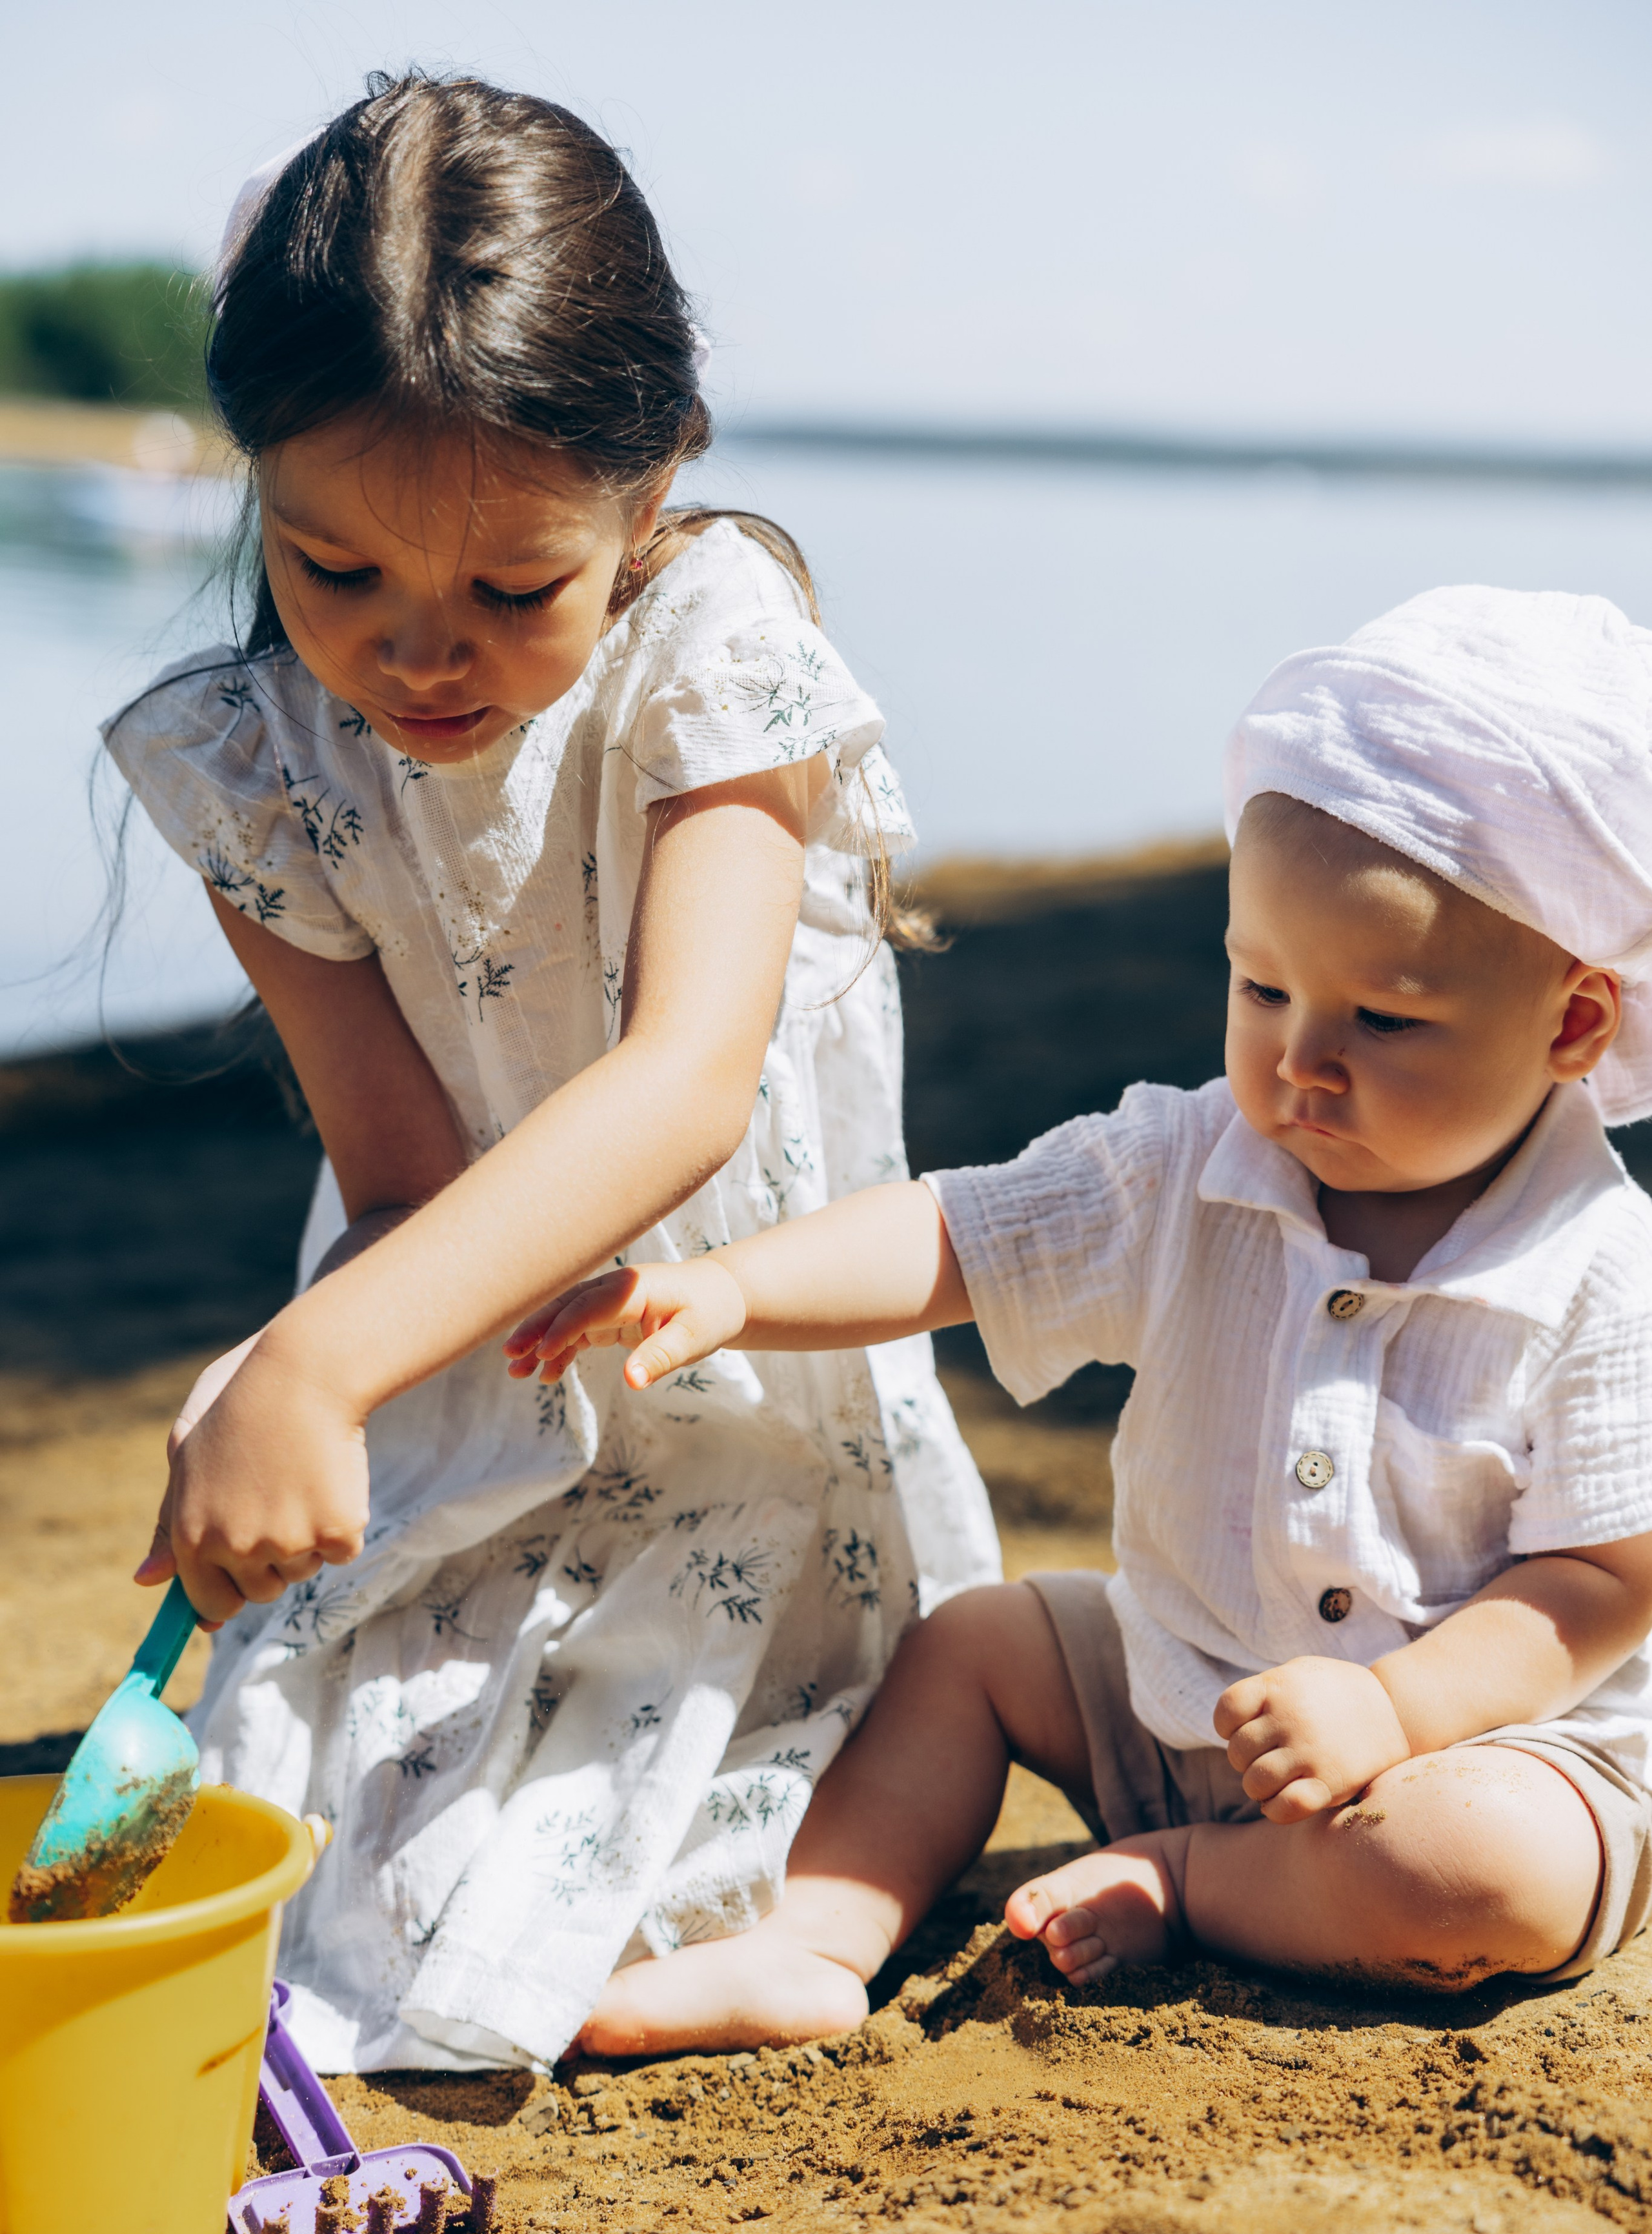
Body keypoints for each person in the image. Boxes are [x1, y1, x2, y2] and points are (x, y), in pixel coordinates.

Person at [103, 72, 996, 2072]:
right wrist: (287, 1373)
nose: (420, 659)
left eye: (515, 593)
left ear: (653, 482)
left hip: (733, 1369)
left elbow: (689, 1081)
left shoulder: (716, 657)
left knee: (602, 1846)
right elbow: (404, 1182)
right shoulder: (257, 762)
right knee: (284, 1768)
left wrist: (318, 1367)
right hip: (464, 1346)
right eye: (336, 578)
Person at [507, 584, 1652, 2057]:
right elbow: (959, 1234)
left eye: (1384, 1021)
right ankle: (813, 1941)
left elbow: (1600, 1580)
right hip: (1182, 1699)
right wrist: (734, 1287)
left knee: (1480, 1875)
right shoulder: (1185, 1164)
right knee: (975, 1642)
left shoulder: (1599, 1268)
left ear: (1569, 1023)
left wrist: (1400, 1713)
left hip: (1473, 1751)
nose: (1300, 1062)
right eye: (1259, 987)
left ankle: (1186, 1883)